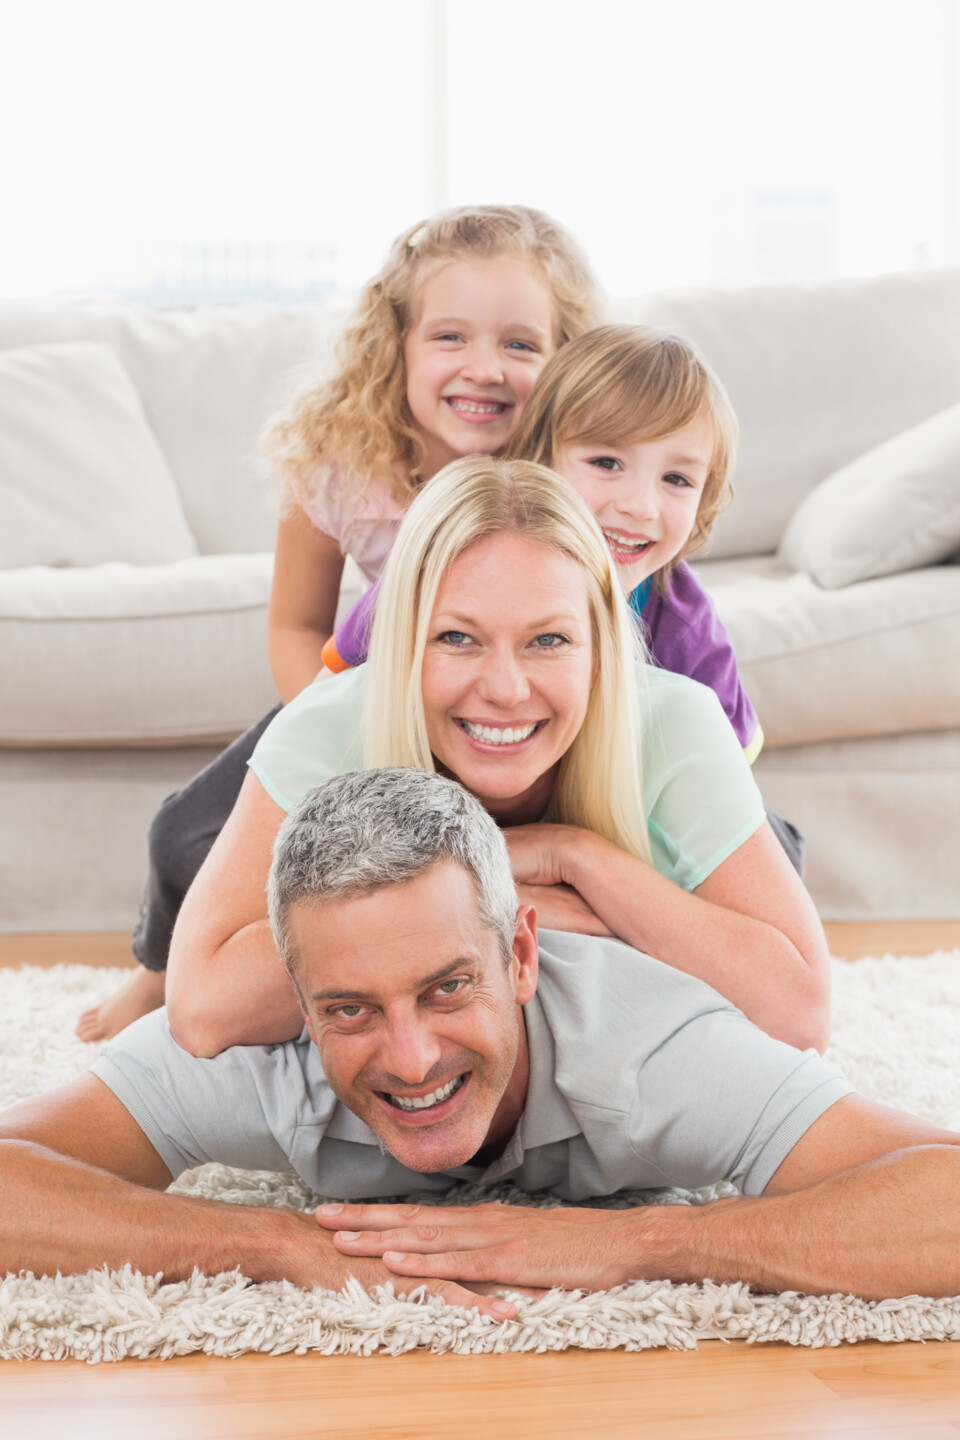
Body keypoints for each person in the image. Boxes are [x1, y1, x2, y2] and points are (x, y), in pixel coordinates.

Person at [4, 769, 958, 1313]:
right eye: (350, 1011)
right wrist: (270, 1241)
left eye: (450, 987)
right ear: (296, 999)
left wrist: (643, 1243)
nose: (412, 1059)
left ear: (521, 958)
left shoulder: (655, 1046)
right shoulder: (254, 1055)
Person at [76, 204, 601, 1043]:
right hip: (364, 703)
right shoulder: (343, 463)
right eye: (450, 338)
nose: (485, 368)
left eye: (521, 344)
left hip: (508, 714)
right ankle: (159, 969)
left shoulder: (574, 469)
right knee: (184, 832)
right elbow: (293, 628)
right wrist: (346, 734)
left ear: (567, 359)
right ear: (395, 343)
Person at [163, 457, 830, 1061]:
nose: (507, 690)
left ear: (600, 648)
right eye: (457, 637)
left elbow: (799, 1012)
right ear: (401, 642)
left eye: (548, 640)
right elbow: (202, 1010)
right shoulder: (329, 728)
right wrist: (494, 903)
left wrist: (575, 856)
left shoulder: (674, 721)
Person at [321, 325, 804, 871]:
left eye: (677, 479)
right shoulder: (446, 564)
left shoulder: (686, 629)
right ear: (540, 458)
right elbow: (322, 708)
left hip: (599, 833)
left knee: (777, 858)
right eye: (606, 463)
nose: (640, 505)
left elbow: (724, 807)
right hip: (447, 818)